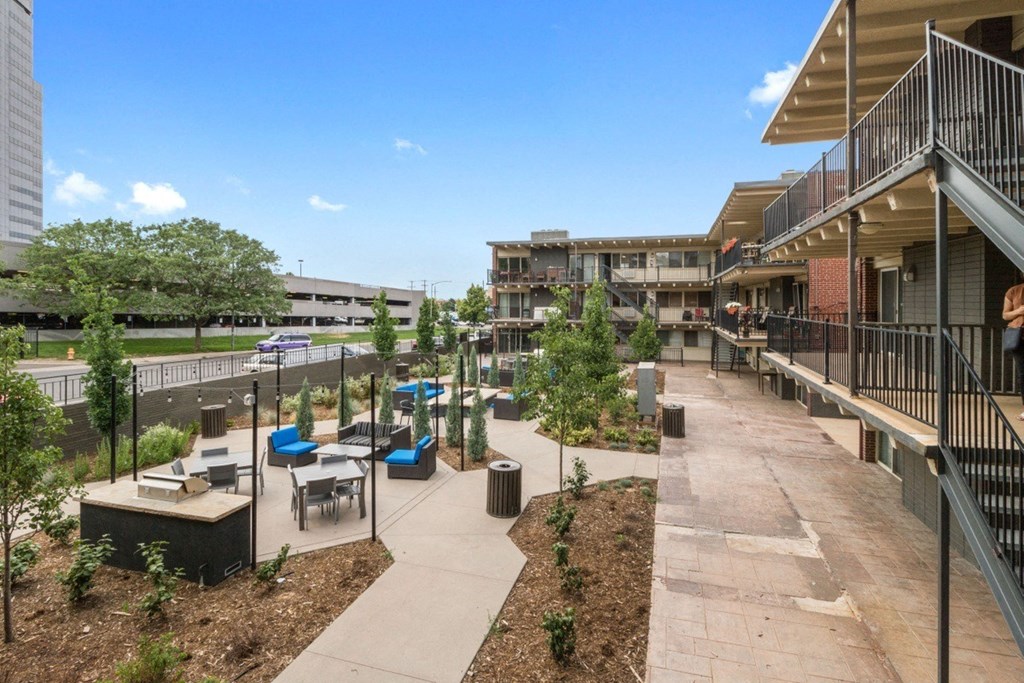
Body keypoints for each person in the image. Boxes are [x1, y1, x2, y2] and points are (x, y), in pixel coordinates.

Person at [1002, 279, 1024, 420]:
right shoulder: (1014, 291)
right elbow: (1005, 315)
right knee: (1023, 374)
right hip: (1020, 338)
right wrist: (1019, 310)